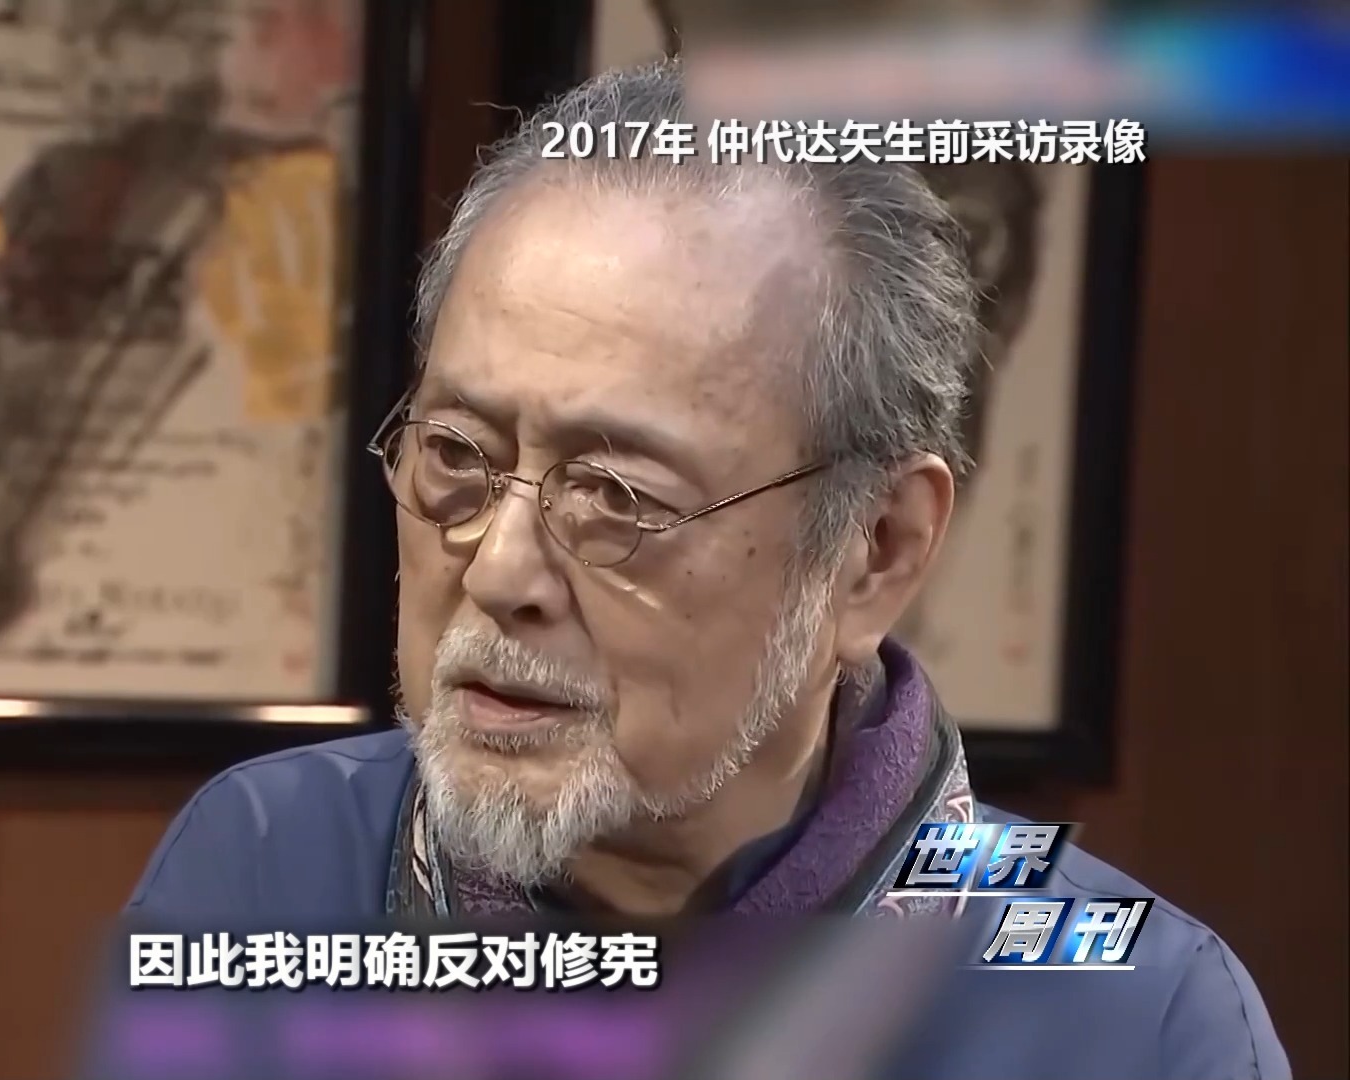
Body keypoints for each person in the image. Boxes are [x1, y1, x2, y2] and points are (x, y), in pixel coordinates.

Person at [125, 61, 1285, 1079]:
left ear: (876, 551)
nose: (499, 570)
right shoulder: (269, 863)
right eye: (458, 457)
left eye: (621, 497)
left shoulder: (1135, 1016)